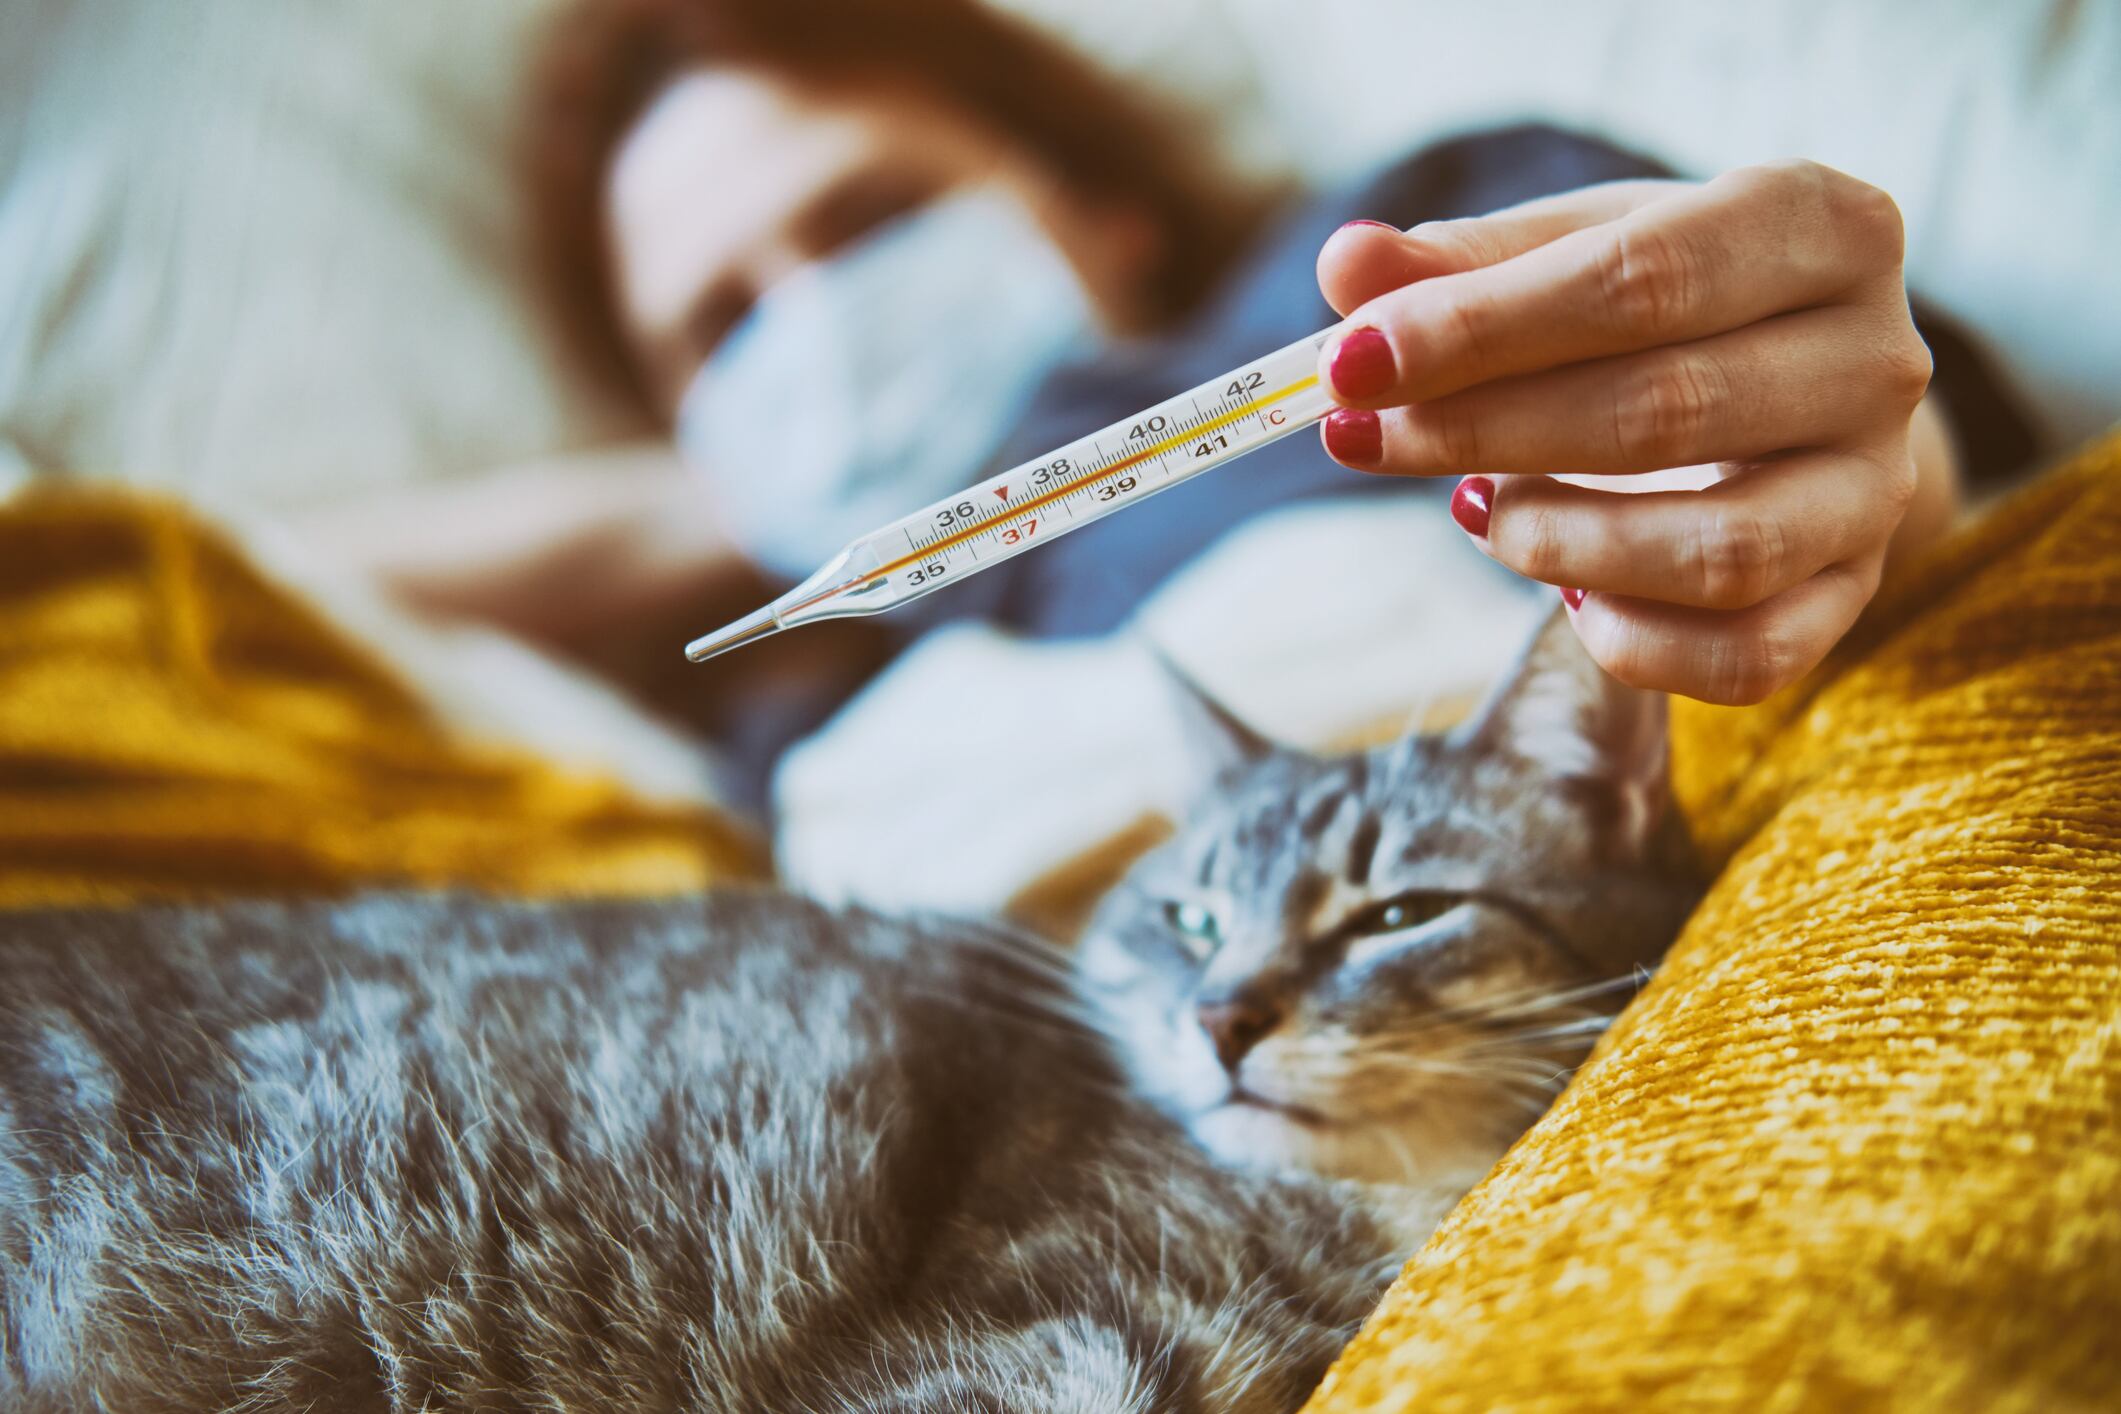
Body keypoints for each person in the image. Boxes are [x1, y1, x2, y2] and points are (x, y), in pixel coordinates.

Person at [299, 0, 2032, 794]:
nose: (819, 332)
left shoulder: (1385, 264)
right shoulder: (785, 722)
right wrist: (715, 507)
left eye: (871, 220)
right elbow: (194, 602)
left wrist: (1864, 479)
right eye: (723, 330)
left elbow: (1866, 453)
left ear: (1087, 204)